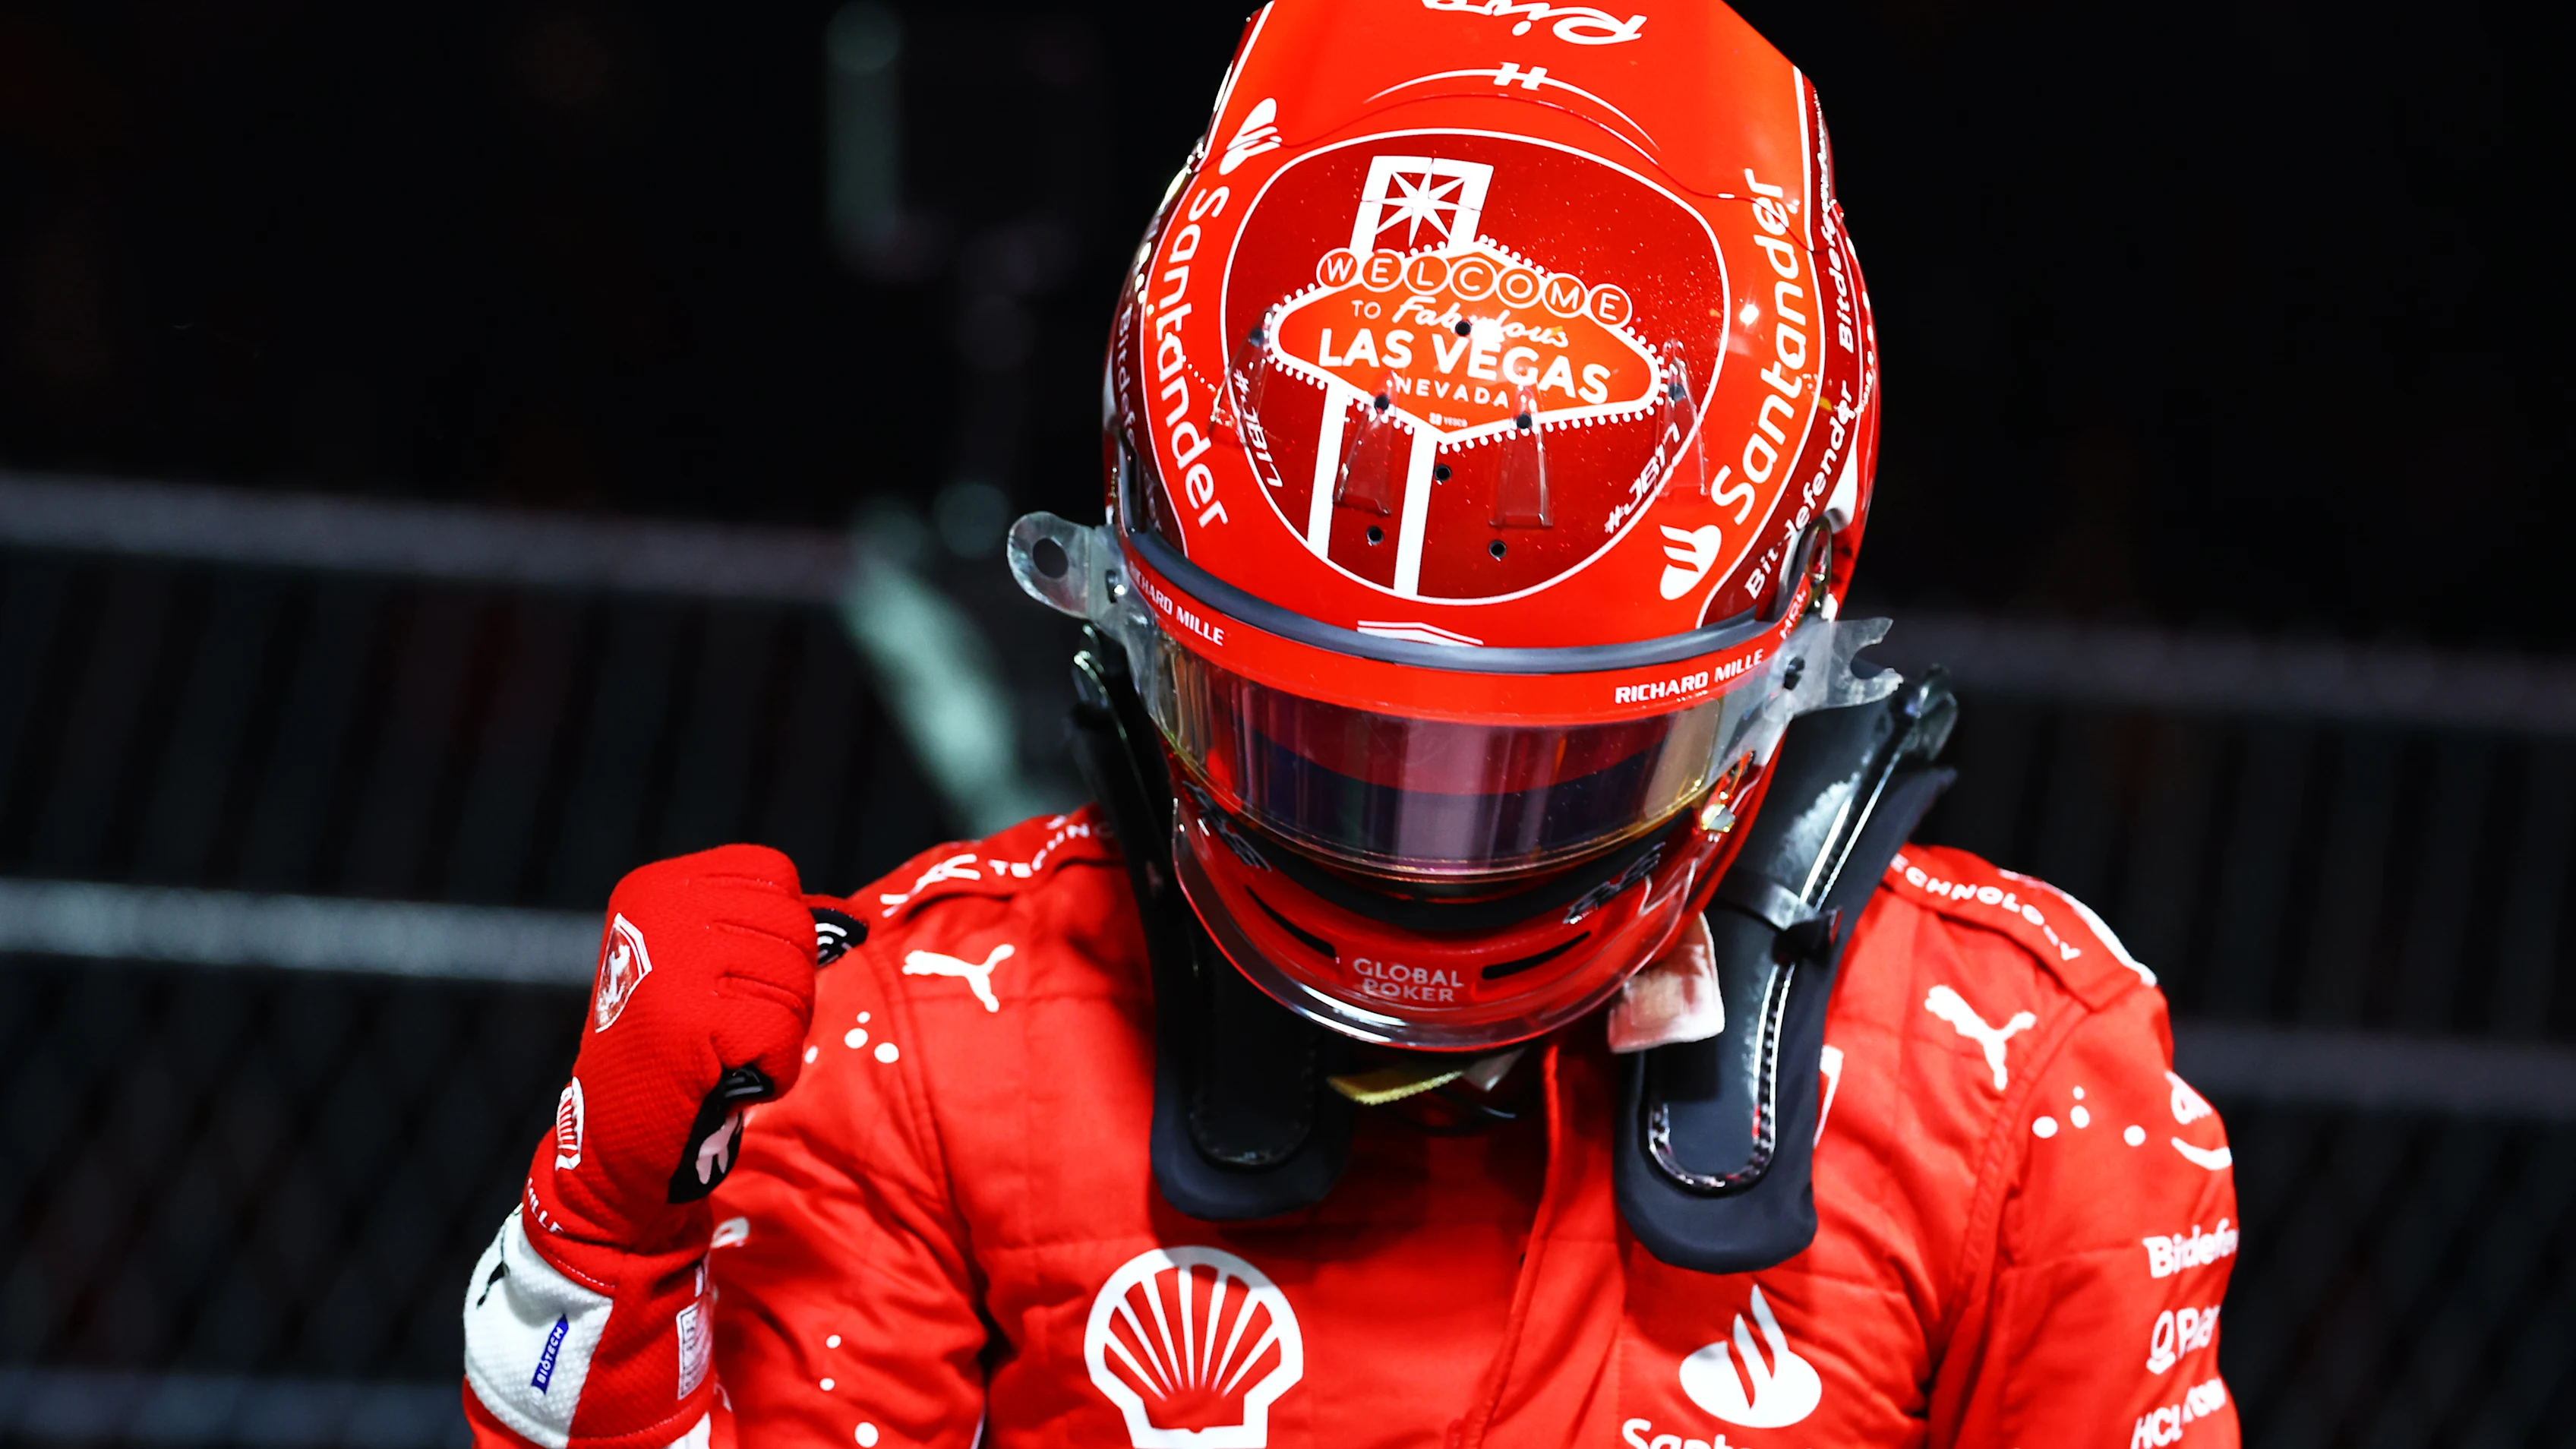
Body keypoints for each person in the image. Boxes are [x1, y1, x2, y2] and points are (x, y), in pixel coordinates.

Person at [459, 2, 2241, 1445]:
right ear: (1143, 617)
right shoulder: (937, 1045)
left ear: (1782, 654)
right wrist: (600, 1256)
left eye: (1537, 765)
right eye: (1319, 737)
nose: (1421, 845)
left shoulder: (2014, 1093)